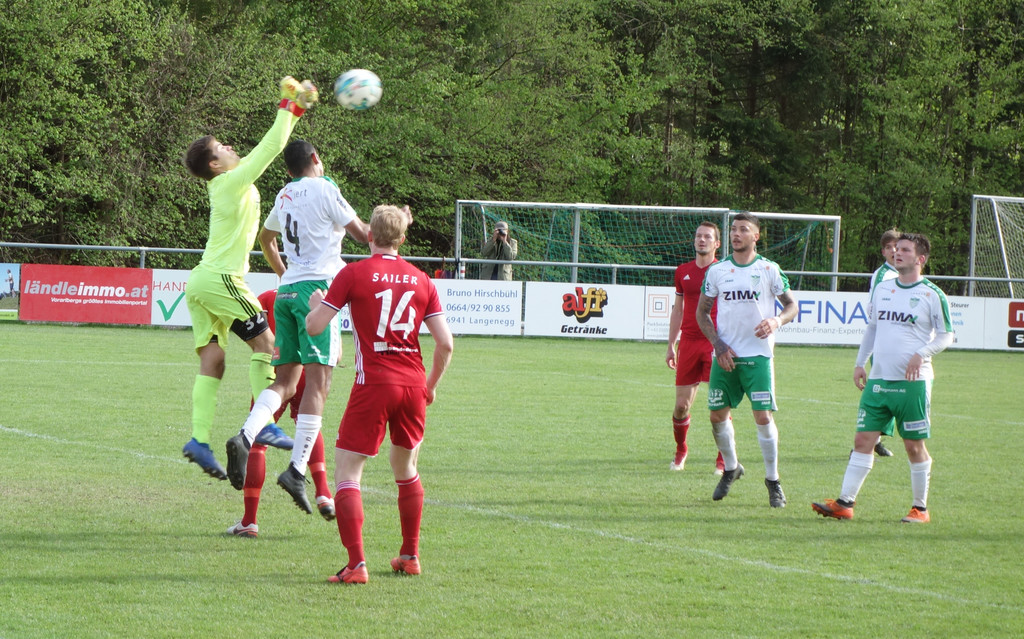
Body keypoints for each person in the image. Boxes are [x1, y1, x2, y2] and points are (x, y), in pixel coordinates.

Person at [306, 204, 454, 585]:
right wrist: (430, 386)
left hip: (373, 382)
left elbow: (315, 327)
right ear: (402, 239)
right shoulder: (422, 279)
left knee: (347, 471)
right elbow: (446, 344)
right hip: (412, 385)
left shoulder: (353, 273)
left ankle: (356, 564)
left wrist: (314, 306)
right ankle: (410, 555)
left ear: (369, 235)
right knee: (406, 469)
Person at [181, 77, 318, 479]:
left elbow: (271, 146)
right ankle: (266, 423)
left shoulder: (229, 181)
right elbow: (272, 146)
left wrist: (297, 108)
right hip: (221, 279)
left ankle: (199, 440)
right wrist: (289, 106)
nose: (228, 147)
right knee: (268, 344)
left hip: (202, 281)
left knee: (214, 359)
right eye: (221, 147)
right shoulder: (230, 181)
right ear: (214, 165)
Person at [225, 139, 369, 516]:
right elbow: (361, 233)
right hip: (317, 293)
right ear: (316, 159)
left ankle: (245, 435)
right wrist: (394, 225)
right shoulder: (325, 188)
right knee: (318, 384)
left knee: (286, 382)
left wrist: (284, 273)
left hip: (287, 292)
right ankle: (295, 470)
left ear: (288, 170)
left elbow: (266, 239)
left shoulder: (285, 194)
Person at [813, 233, 953, 524]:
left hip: (912, 383)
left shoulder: (932, 294)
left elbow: (946, 335)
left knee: (913, 445)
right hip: (878, 381)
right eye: (896, 249)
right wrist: (859, 363)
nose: (897, 253)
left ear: (920, 259)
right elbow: (873, 328)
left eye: (905, 250)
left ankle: (920, 509)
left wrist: (922, 353)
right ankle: (845, 503)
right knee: (863, 439)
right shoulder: (883, 288)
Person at [696, 212, 798, 508]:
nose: (736, 234)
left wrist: (776, 321)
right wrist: (718, 346)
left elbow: (792, 306)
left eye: (743, 229)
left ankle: (773, 481)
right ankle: (731, 468)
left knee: (762, 417)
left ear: (756, 236)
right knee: (716, 416)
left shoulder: (769, 269)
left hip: (758, 356)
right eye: (733, 229)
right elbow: (702, 312)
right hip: (726, 356)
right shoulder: (718, 271)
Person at [226, 288, 337, 538]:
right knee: (308, 425)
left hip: (275, 371)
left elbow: (257, 336)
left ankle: (249, 521)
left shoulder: (268, 296)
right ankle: (323, 492)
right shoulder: (314, 293)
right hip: (308, 368)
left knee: (257, 442)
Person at [665, 222, 725, 474]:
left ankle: (724, 458)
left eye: (707, 237)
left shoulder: (724, 271)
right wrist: (671, 344)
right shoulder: (683, 271)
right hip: (688, 343)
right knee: (681, 406)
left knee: (719, 405)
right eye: (698, 236)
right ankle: (681, 451)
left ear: (716, 243)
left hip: (716, 343)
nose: (702, 240)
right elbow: (678, 310)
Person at [867, 228, 902, 458]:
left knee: (892, 392)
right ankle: (866, 442)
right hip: (883, 345)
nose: (894, 251)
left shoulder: (903, 274)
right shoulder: (883, 276)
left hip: (899, 346)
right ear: (883, 252)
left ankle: (875, 440)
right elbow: (873, 311)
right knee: (883, 393)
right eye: (889, 247)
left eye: (897, 247)